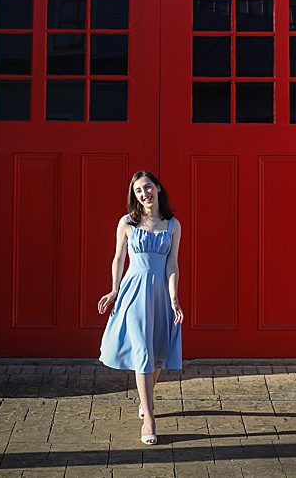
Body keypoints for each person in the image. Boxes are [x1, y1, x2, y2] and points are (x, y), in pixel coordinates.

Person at [96, 170, 184, 446]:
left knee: (157, 351)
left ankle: (145, 399)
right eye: (138, 191)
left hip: (159, 293)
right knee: (143, 352)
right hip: (134, 292)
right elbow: (118, 257)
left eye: (147, 187)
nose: (144, 193)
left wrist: (173, 298)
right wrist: (114, 288)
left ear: (158, 188)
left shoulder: (172, 225)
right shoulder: (127, 222)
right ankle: (149, 417)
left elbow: (172, 265)